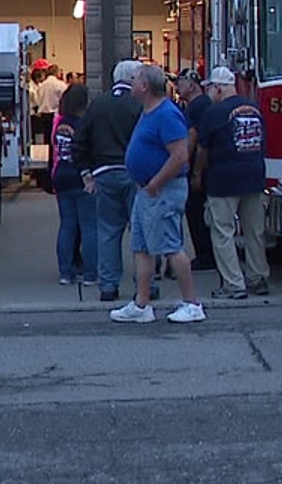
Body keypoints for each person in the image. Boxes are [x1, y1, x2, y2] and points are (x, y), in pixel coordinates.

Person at [110, 65, 203, 324]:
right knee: (141, 246)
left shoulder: (166, 114)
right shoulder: (147, 111)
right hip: (145, 190)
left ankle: (192, 303)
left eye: (136, 79)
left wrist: (156, 183)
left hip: (162, 190)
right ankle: (142, 303)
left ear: (146, 87)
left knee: (170, 245)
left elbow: (180, 155)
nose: (131, 83)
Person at [194, 67, 271, 301]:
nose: (208, 92)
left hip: (224, 178)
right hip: (254, 174)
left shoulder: (214, 113)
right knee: (254, 231)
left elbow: (202, 149)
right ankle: (258, 278)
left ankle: (233, 284)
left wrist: (197, 174)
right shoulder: (255, 109)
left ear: (218, 87)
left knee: (223, 231)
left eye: (210, 88)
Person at [76, 59, 143, 303]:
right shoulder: (139, 104)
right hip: (134, 173)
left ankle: (108, 285)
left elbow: (80, 141)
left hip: (103, 173)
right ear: (133, 79)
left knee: (108, 231)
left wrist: (86, 172)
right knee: (140, 231)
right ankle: (145, 285)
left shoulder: (97, 104)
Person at [51, 82, 97, 286]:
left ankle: (65, 272)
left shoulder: (60, 125)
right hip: (82, 176)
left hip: (62, 174)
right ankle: (89, 273)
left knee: (67, 225)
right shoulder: (84, 125)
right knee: (88, 226)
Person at [176, 71, 217, 272]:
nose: (177, 87)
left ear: (192, 85)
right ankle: (207, 253)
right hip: (206, 166)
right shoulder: (202, 105)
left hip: (198, 166)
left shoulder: (196, 107)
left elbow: (194, 136)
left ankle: (205, 255)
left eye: (180, 82)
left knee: (196, 212)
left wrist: (184, 161)